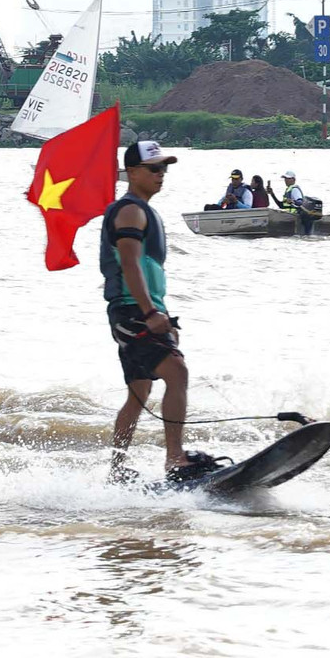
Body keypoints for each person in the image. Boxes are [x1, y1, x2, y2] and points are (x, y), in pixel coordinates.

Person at [102, 141, 222, 483]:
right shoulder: (130, 211)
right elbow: (129, 263)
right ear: (133, 172)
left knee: (139, 390)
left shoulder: (140, 209)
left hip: (133, 310)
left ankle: (117, 468)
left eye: (164, 168)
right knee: (177, 372)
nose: (161, 175)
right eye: (154, 168)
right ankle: (175, 459)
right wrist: (151, 312)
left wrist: (161, 313)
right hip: (133, 310)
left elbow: (143, 267)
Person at [280, 171, 315, 235]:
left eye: (288, 178)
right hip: (288, 216)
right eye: (285, 178)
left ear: (293, 180)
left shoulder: (294, 190)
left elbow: (300, 202)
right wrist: (272, 194)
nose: (286, 180)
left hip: (294, 216)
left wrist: (293, 201)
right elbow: (281, 206)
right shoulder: (288, 190)